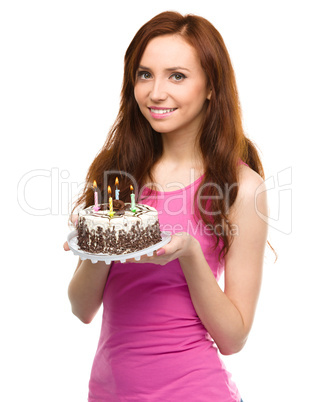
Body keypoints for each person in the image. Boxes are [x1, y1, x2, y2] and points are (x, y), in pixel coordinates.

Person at [64, 11, 269, 401]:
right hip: (108, 392)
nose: (156, 92)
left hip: (194, 390)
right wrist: (98, 241)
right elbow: (81, 307)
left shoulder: (242, 188)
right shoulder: (116, 173)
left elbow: (234, 338)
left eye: (177, 75)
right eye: (145, 74)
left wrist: (190, 254)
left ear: (211, 86)